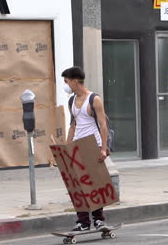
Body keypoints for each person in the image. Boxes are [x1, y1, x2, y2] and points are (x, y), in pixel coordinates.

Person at [61, 66, 109, 231]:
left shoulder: (94, 99)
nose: (65, 85)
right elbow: (73, 125)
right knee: (77, 185)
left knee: (94, 184)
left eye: (66, 81)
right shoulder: (71, 101)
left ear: (75, 81)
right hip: (77, 147)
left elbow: (103, 125)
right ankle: (83, 222)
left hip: (92, 145)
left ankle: (98, 220)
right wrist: (66, 148)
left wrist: (103, 149)